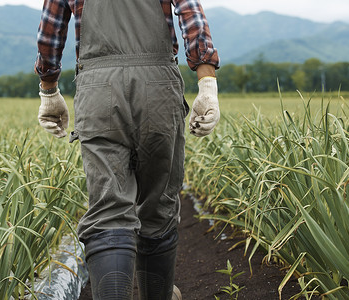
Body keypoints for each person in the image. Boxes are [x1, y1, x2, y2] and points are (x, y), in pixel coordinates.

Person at [35, 0, 220, 299]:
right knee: (158, 205)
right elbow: (191, 13)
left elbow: (51, 30)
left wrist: (49, 89)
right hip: (158, 86)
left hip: (98, 89)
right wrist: (207, 83)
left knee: (109, 209)